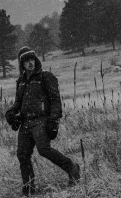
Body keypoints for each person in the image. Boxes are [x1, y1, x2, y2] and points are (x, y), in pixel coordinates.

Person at [5, 46, 80, 196]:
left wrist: (54, 120)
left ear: (35, 59)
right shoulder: (20, 81)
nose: (30, 63)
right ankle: (29, 188)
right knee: (22, 154)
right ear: (22, 64)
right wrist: (11, 113)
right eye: (26, 61)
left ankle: (72, 168)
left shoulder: (45, 77)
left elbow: (55, 100)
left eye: (32, 59)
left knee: (43, 149)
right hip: (26, 122)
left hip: (41, 119)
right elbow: (18, 103)